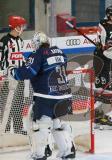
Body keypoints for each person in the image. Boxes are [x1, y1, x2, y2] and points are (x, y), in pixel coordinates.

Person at [7, 32, 75, 160]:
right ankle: (67, 151)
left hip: (46, 97)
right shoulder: (59, 52)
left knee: (41, 126)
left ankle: (39, 155)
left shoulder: (38, 54)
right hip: (65, 96)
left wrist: (12, 71)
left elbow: (28, 72)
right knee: (57, 124)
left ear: (37, 44)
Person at [93, 5, 112, 129]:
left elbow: (101, 44)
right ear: (110, 16)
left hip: (97, 59)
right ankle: (107, 118)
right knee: (108, 90)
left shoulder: (102, 24)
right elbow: (109, 50)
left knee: (100, 89)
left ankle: (98, 117)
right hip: (105, 62)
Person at [0, 15, 27, 134]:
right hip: (7, 79)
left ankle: (18, 127)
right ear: (16, 27)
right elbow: (0, 59)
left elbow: (21, 57)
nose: (23, 28)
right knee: (5, 104)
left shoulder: (20, 41)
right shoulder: (4, 41)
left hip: (19, 78)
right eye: (21, 26)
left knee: (19, 103)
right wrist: (1, 77)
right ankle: (3, 128)